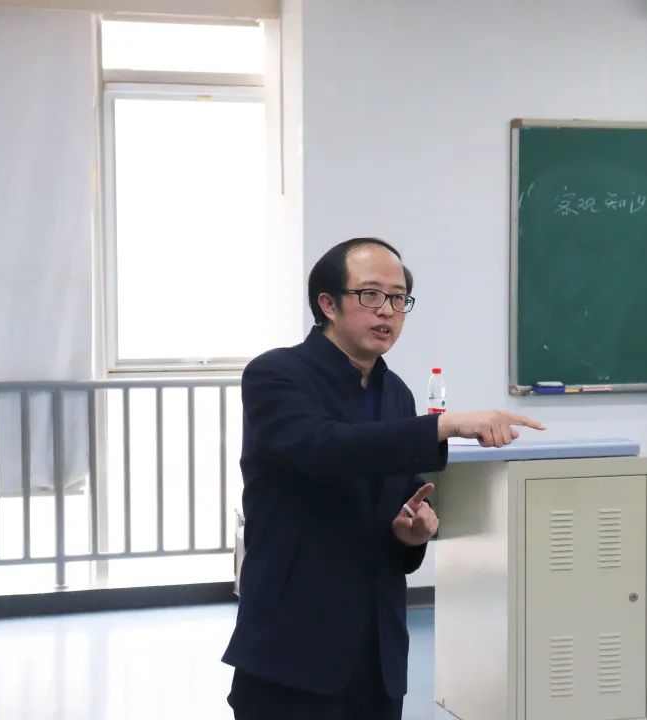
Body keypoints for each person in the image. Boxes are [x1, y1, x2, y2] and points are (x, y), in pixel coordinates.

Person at [223, 237, 544, 719]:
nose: (387, 311)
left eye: (398, 298)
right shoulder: (276, 375)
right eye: (370, 294)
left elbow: (401, 495)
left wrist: (412, 531)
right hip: (293, 647)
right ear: (328, 304)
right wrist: (446, 425)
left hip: (378, 653)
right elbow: (324, 448)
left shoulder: (395, 393)